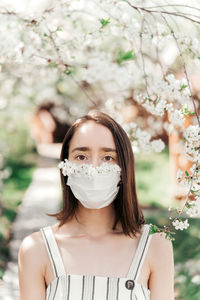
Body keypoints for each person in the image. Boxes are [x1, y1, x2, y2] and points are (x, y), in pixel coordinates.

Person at [18, 110, 174, 299]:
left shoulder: (155, 247)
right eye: (81, 157)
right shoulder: (36, 249)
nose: (93, 169)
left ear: (124, 169)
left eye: (108, 157)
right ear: (66, 166)